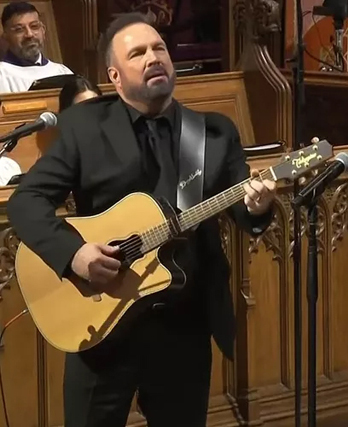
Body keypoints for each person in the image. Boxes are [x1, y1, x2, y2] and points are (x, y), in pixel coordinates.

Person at [6, 12, 276, 427]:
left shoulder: (214, 133)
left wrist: (258, 205)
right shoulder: (83, 125)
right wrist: (75, 255)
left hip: (182, 328)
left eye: (159, 48)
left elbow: (243, 209)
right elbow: (27, 202)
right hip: (100, 323)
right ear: (114, 75)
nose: (153, 57)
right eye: (138, 53)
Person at [0, 1, 73, 93]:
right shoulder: (2, 75)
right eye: (19, 30)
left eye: (34, 26)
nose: (29, 34)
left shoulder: (63, 72)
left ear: (43, 30)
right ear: (5, 37)